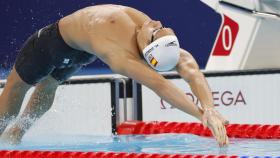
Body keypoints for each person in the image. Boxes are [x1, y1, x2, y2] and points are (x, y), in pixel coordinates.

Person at [0, 4, 229, 146]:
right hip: (64, 44)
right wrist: (204, 112)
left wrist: (206, 113)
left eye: (156, 30)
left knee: (33, 86)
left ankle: (15, 135)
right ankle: (7, 132)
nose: (156, 24)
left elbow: (176, 78)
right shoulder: (134, 46)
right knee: (32, 87)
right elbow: (174, 75)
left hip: (68, 47)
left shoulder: (141, 45)